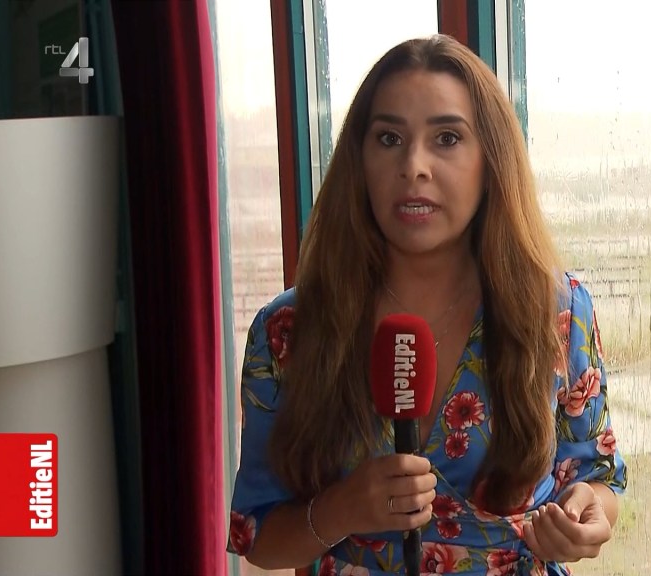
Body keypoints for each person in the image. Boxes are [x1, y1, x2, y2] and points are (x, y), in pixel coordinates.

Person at [226, 34, 627, 576]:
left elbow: (599, 476)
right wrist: (343, 508)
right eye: (389, 138)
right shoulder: (288, 330)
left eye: (447, 138)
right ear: (359, 160)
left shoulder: (558, 310)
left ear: (491, 160)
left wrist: (586, 517)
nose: (414, 165)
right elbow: (257, 537)